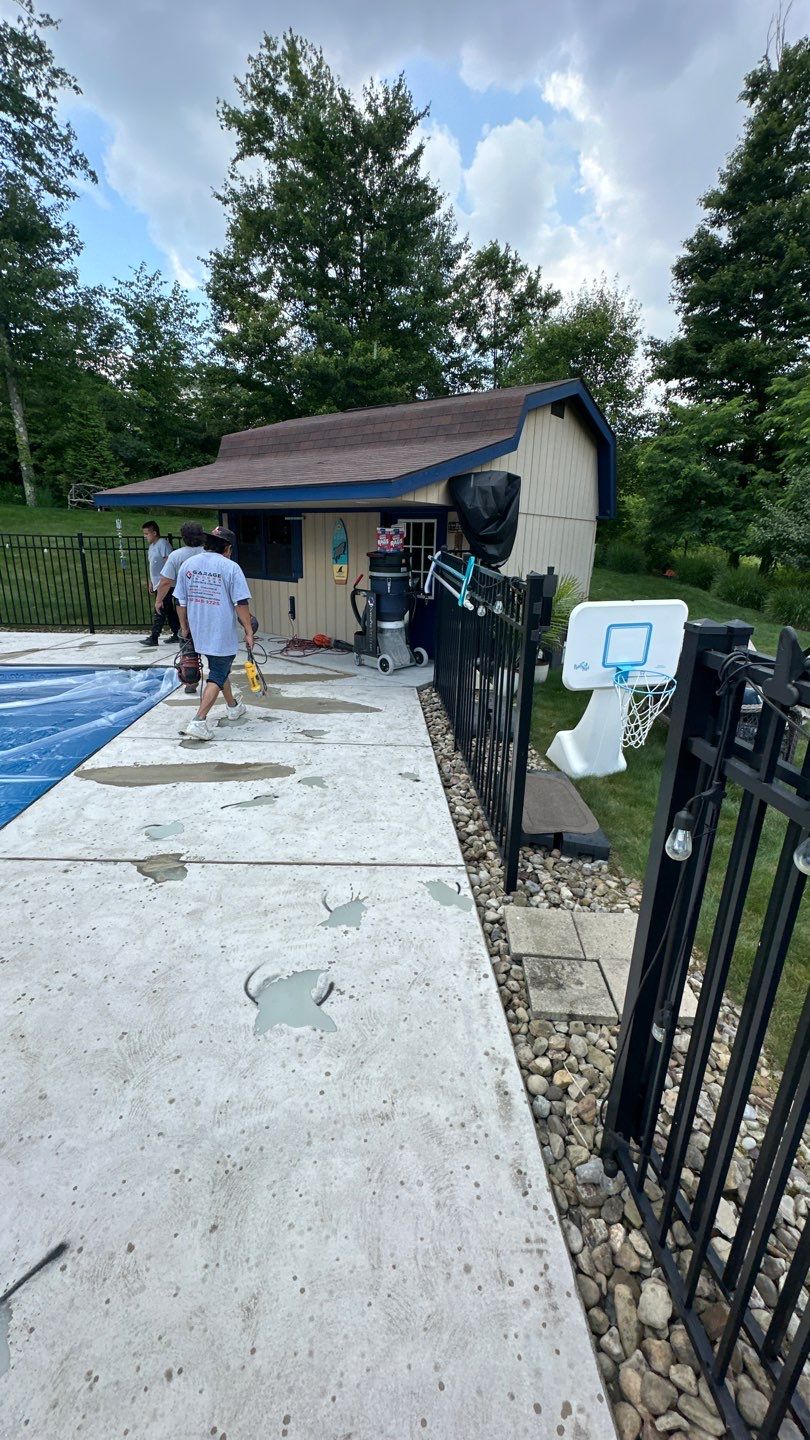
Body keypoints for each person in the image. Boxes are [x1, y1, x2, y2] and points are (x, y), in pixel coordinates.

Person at [173, 526, 253, 741]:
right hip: (220, 633)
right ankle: (199, 721)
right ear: (227, 548)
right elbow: (241, 603)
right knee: (217, 673)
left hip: (198, 631)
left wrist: (184, 627)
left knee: (220, 669)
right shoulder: (230, 567)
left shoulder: (188, 564)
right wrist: (248, 631)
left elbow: (180, 600)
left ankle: (233, 707)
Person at [152, 521, 205, 637]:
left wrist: (159, 600)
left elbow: (166, 581)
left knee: (186, 629)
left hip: (185, 598)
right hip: (207, 596)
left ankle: (186, 634)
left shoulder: (176, 556)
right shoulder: (210, 553)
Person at [140, 520, 179, 647]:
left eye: (147, 534)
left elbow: (169, 563)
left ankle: (154, 636)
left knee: (160, 607)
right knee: (168, 610)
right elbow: (152, 565)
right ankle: (177, 632)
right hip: (157, 582)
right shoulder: (152, 547)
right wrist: (151, 582)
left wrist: (165, 580)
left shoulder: (162, 544)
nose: (145, 536)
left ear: (154, 533)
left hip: (166, 583)